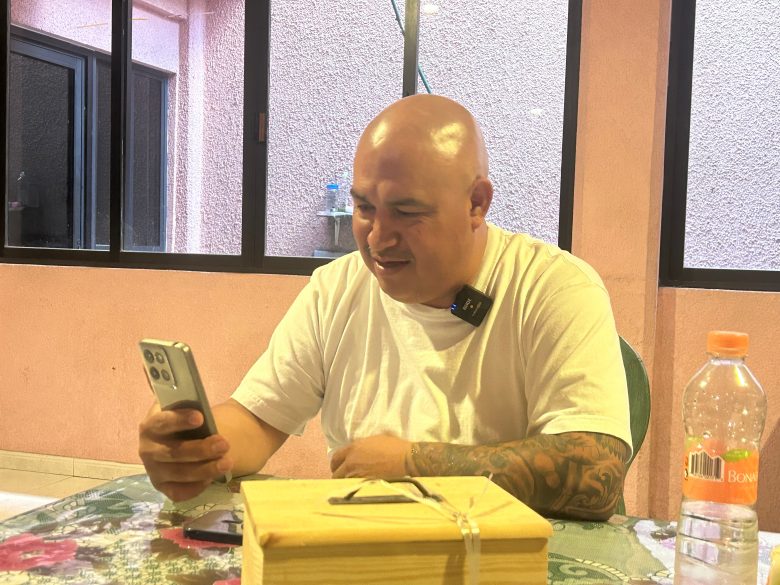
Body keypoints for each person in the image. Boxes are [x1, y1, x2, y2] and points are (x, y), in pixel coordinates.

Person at [139, 94, 632, 521]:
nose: (378, 239)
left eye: (407, 212)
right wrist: (194, 448)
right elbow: (259, 421)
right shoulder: (337, 289)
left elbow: (597, 473)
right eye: (365, 208)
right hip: (369, 553)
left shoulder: (554, 288)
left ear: (476, 203)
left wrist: (415, 464)